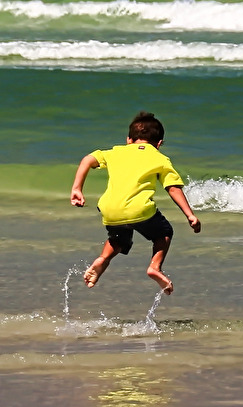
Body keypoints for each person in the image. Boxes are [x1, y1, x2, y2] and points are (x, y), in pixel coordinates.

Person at [70, 111, 200, 294]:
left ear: (129, 139)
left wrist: (77, 188)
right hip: (139, 210)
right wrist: (190, 214)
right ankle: (155, 267)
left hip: (110, 209)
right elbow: (173, 187)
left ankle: (103, 259)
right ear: (159, 144)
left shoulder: (115, 151)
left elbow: (87, 160)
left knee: (119, 239)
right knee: (163, 233)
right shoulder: (160, 158)